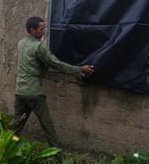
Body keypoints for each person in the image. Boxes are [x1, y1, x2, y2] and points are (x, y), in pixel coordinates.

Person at [11, 16, 94, 148]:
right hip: (34, 94)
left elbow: (36, 63)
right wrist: (80, 69)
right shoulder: (39, 47)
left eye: (45, 28)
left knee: (16, 126)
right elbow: (57, 64)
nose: (44, 32)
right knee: (48, 128)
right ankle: (57, 159)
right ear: (32, 30)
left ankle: (6, 150)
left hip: (20, 91)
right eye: (41, 29)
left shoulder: (21, 43)